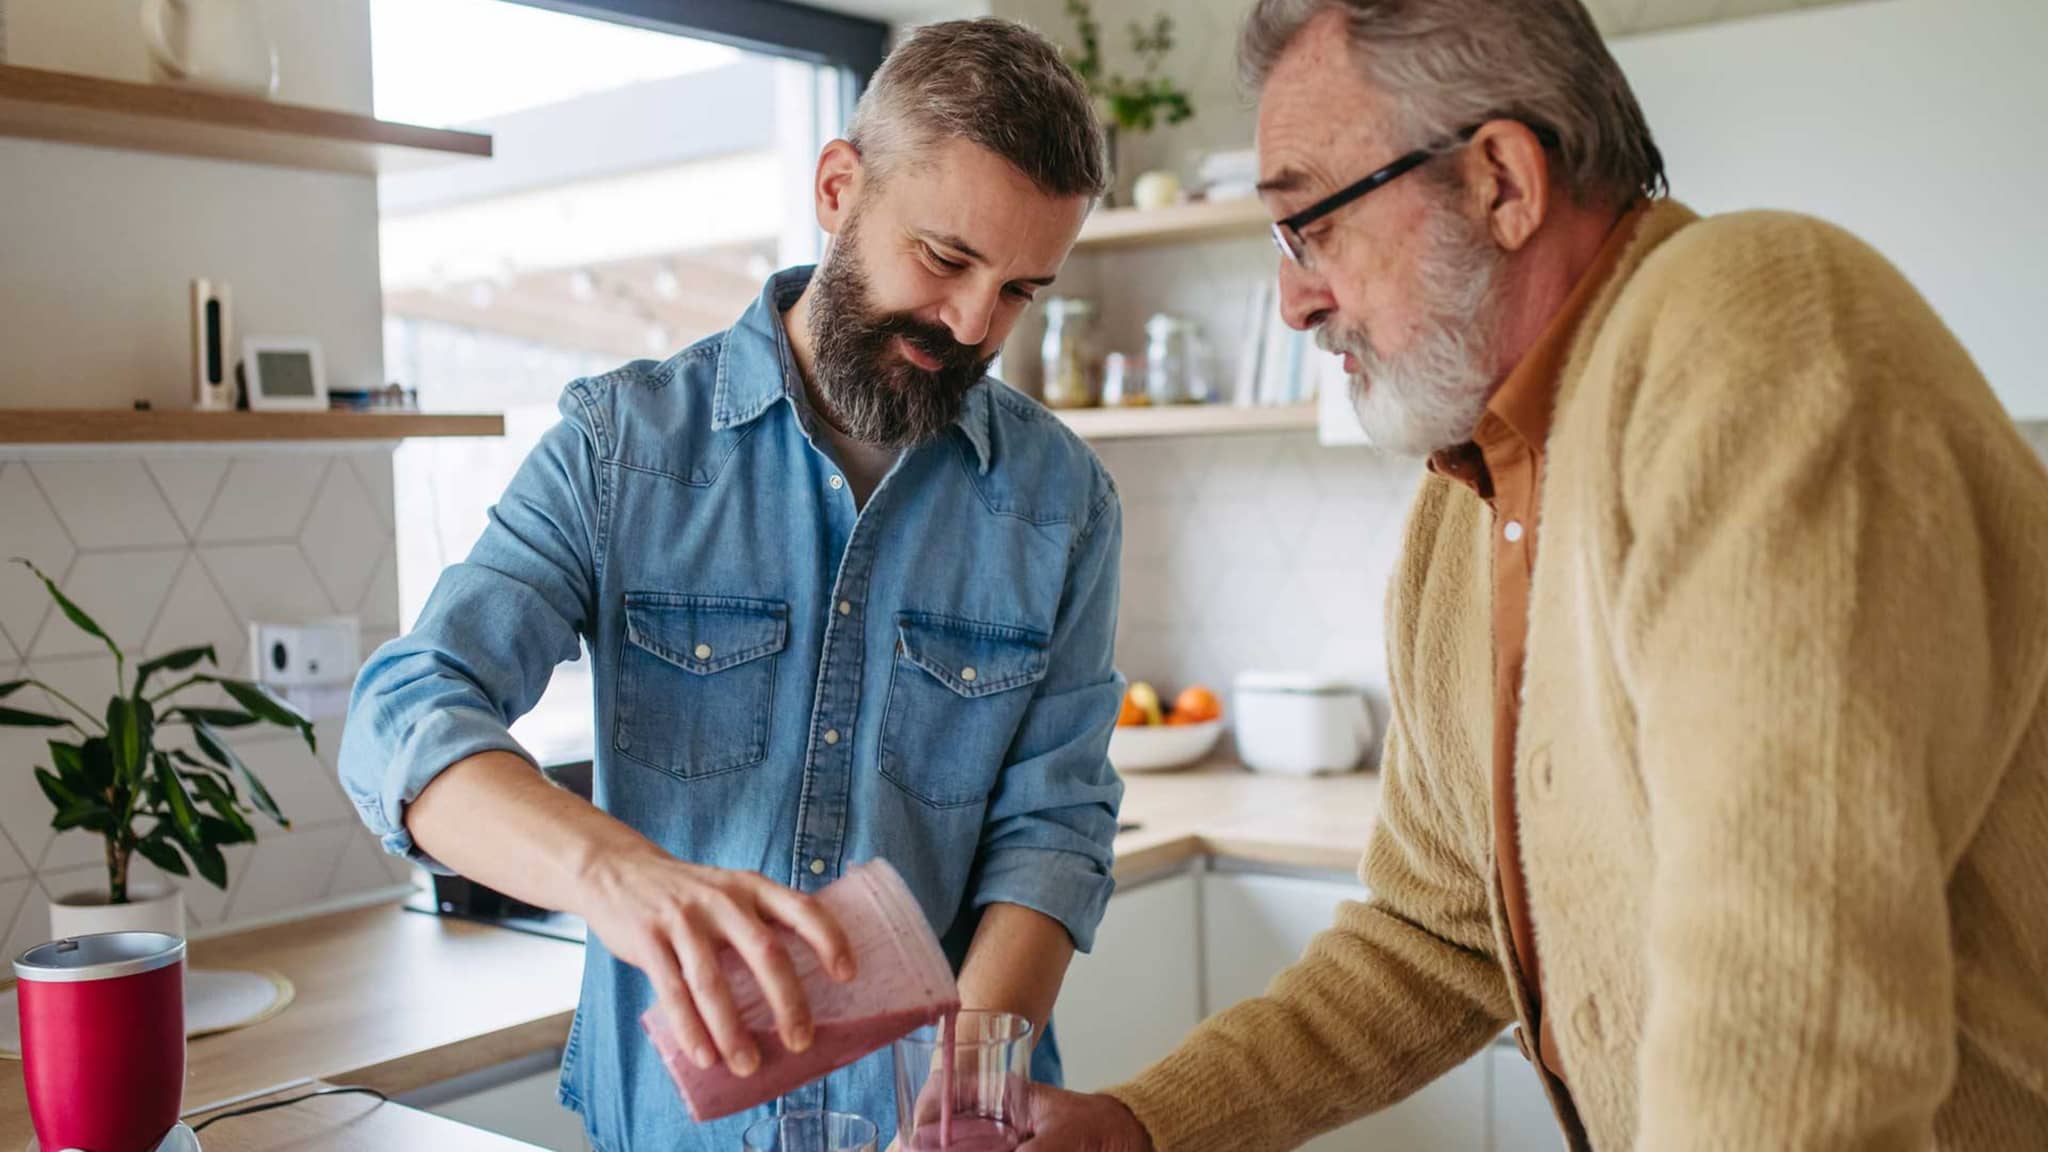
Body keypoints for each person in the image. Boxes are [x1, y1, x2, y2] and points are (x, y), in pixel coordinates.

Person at [1023, 1, 2048, 1149]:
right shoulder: (1462, 502)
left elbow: (1785, 1022)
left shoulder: (1754, 335)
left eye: (1305, 224)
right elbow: (1436, 934)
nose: (1294, 299)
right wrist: (1140, 1125)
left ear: (1500, 182)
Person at [339, 19, 1126, 1151]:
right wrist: (617, 877)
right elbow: (400, 713)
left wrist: (961, 1093)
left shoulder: (1064, 504)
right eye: (946, 261)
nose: (970, 325)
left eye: (1018, 293)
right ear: (836, 186)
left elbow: (1052, 833)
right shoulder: (623, 448)